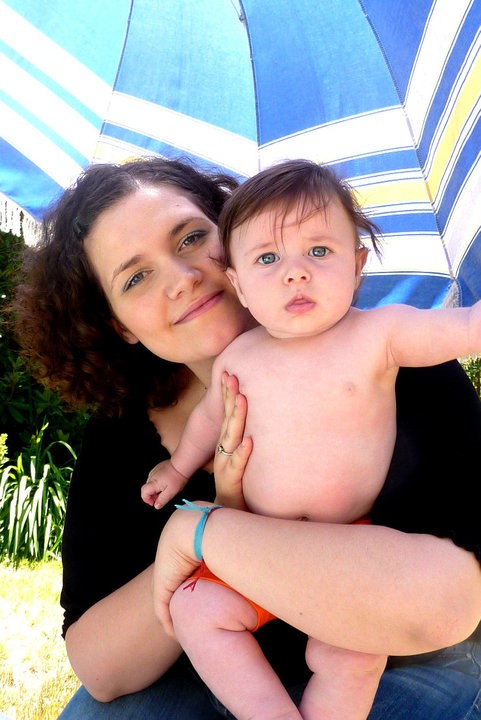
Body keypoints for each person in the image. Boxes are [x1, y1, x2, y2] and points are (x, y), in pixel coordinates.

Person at [11, 156, 481, 720]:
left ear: (233, 230)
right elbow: (101, 669)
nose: (182, 278)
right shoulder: (122, 434)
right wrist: (227, 509)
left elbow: (448, 605)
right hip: (217, 669)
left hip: (401, 663)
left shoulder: (389, 357)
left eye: (191, 238)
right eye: (136, 278)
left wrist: (202, 533)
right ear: (119, 325)